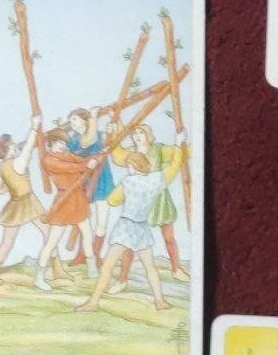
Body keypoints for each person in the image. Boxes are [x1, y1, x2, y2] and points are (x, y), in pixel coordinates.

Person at [74, 133, 187, 312]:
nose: (127, 168)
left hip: (126, 228)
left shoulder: (127, 182)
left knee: (108, 267)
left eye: (128, 165)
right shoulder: (156, 180)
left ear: (133, 166)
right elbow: (175, 166)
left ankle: (93, 302)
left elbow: (112, 200)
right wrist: (179, 145)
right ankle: (160, 301)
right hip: (142, 228)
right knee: (150, 267)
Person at [0, 115, 70, 291]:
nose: (14, 146)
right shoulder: (17, 163)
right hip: (27, 202)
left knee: (8, 242)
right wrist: (34, 127)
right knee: (48, 233)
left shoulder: (2, 167)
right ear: (8, 150)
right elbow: (27, 150)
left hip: (15, 204)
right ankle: (57, 269)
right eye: (11, 145)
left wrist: (9, 187)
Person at [107, 124, 191, 294]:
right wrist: (112, 135)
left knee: (169, 237)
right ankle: (122, 279)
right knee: (129, 245)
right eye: (135, 133)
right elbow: (116, 155)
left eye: (141, 133)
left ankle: (176, 269)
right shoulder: (130, 153)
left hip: (159, 199)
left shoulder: (158, 149)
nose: (137, 136)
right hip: (137, 204)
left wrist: (179, 141)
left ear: (148, 135)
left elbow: (180, 155)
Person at [35, 129, 98, 290]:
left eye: (64, 143)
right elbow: (70, 167)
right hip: (64, 201)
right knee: (52, 242)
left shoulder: (66, 155)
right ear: (51, 143)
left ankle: (92, 269)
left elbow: (79, 160)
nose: (62, 146)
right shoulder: (48, 160)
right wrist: (86, 165)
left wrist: (95, 157)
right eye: (59, 142)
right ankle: (39, 277)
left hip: (78, 198)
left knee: (87, 234)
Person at [65, 107, 115, 268]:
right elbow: (87, 142)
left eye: (74, 119)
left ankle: (97, 254)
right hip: (84, 183)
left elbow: (111, 143)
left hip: (102, 180)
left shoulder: (100, 135)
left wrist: (113, 125)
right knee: (84, 222)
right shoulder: (73, 141)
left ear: (84, 120)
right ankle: (82, 256)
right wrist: (93, 118)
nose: (72, 123)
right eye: (70, 121)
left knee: (101, 221)